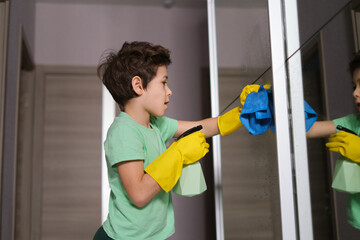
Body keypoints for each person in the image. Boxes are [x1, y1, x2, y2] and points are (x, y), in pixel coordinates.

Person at [93, 41, 243, 240]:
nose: (169, 90)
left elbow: (200, 128)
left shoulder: (155, 125)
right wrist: (177, 153)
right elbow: (138, 194)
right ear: (138, 86)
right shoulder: (123, 132)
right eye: (163, 82)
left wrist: (242, 112)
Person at [240, 52, 360, 230]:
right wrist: (274, 101)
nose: (355, 93)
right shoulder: (353, 122)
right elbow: (307, 129)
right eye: (354, 86)